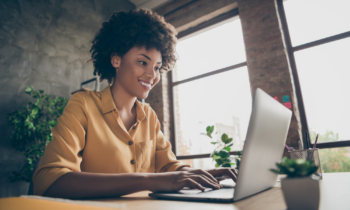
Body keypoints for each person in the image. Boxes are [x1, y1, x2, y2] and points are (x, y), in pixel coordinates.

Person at [33, 9, 238, 199]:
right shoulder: (83, 104)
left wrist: (203, 174)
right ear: (116, 60)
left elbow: (168, 167)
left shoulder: (148, 116)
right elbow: (50, 180)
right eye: (143, 62)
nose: (152, 75)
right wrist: (148, 180)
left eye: (157, 67)